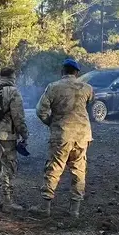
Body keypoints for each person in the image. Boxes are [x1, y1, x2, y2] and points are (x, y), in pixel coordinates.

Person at [30, 59, 94, 218]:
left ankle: (45, 207)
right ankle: (75, 210)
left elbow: (40, 110)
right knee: (79, 170)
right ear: (77, 73)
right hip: (83, 135)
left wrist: (51, 123)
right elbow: (89, 104)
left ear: (62, 71)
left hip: (62, 134)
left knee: (54, 168)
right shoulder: (87, 88)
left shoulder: (53, 87)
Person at [0, 67, 28, 212]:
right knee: (8, 167)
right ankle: (8, 202)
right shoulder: (13, 92)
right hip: (6, 135)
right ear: (12, 77)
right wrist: (24, 135)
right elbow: (18, 117)